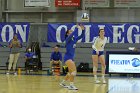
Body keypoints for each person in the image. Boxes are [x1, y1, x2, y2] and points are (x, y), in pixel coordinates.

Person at [59, 24, 85, 90]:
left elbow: (81, 36)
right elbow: (71, 35)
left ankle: (62, 83)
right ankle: (71, 85)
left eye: (71, 31)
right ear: (67, 34)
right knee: (74, 71)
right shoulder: (67, 39)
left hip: (71, 58)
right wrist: (76, 28)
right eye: (70, 31)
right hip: (67, 58)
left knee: (70, 73)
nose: (71, 31)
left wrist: (83, 30)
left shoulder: (74, 39)